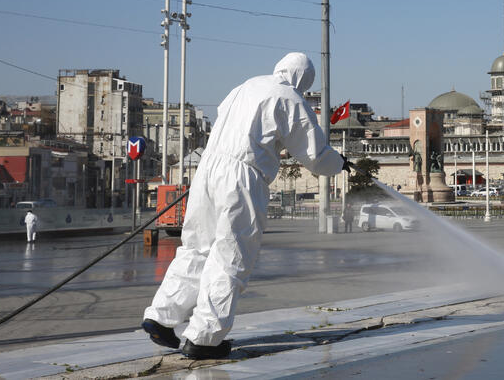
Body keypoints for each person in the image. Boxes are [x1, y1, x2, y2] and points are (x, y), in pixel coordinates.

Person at [141, 53, 352, 360]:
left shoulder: (245, 86)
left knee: (196, 248)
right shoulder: (289, 98)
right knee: (232, 254)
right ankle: (204, 338)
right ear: (302, 80)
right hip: (242, 175)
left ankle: (161, 317)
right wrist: (340, 163)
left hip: (208, 168)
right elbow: (315, 155)